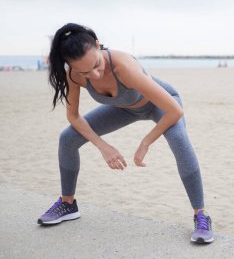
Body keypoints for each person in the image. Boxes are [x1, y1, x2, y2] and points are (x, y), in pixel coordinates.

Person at [37, 23, 214, 244]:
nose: (94, 74)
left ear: (98, 45)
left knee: (178, 139)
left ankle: (201, 215)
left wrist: (146, 142)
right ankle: (68, 204)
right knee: (68, 138)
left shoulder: (124, 67)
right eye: (85, 71)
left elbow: (175, 111)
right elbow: (73, 116)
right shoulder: (74, 75)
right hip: (124, 109)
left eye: (96, 64)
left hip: (162, 105)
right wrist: (103, 146)